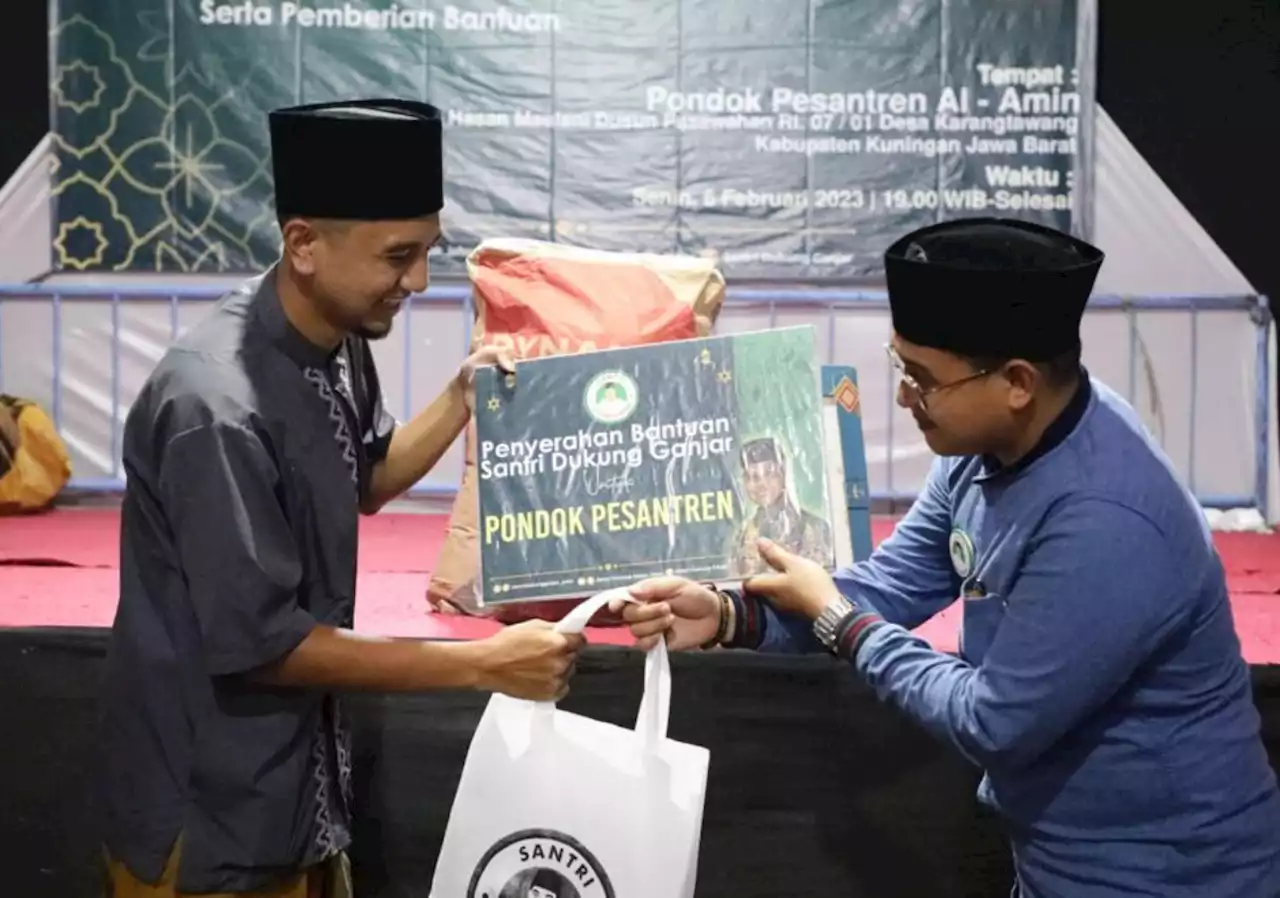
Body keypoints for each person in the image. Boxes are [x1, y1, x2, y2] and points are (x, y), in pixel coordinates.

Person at [620, 218, 1280, 897]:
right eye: (900, 365)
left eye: (923, 379)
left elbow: (992, 721)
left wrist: (843, 626)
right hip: (1057, 864)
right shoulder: (989, 450)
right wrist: (733, 616)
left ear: (1017, 382)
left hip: (1176, 878)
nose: (904, 395)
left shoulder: (1105, 517)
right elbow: (891, 585)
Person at [96, 99, 584, 898]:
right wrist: (479, 667)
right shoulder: (214, 406)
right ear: (304, 245)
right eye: (398, 256)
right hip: (210, 817)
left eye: (429, 251)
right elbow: (265, 645)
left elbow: (365, 476)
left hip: (301, 798)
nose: (419, 282)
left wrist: (461, 396)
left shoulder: (337, 339)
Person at [729, 436, 833, 575]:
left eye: (769, 474)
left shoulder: (815, 528)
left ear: (783, 474)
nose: (762, 484)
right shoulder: (741, 538)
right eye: (753, 477)